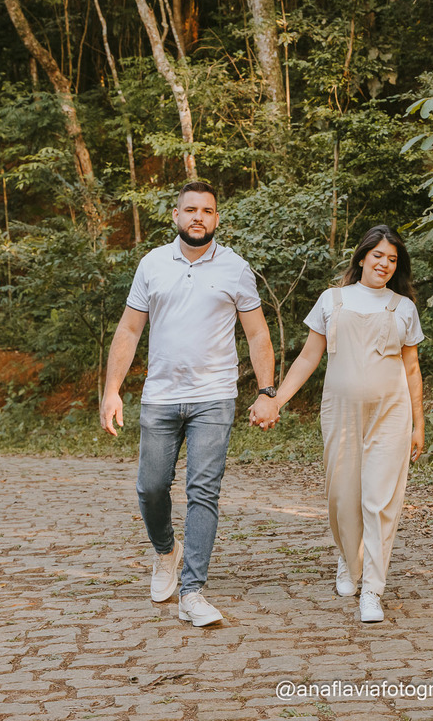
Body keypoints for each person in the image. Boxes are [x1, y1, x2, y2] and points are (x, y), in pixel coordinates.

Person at [99, 180, 279, 627]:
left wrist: (267, 390)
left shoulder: (236, 268)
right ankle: (166, 551)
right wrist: (111, 389)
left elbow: (257, 334)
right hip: (160, 396)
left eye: (208, 210)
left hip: (214, 398)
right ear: (176, 216)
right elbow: (128, 331)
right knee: (151, 487)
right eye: (191, 209)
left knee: (204, 491)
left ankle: (193, 591)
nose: (199, 216)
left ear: (217, 219)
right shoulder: (152, 264)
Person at [273, 225, 425, 623]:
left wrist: (418, 424)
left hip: (391, 414)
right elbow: (308, 358)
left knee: (380, 501)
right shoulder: (332, 300)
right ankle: (348, 559)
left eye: (392, 259)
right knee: (342, 497)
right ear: (362, 258)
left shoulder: (403, 307)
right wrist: (277, 401)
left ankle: (372, 589)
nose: (385, 264)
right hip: (339, 413)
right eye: (378, 256)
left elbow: (411, 369)